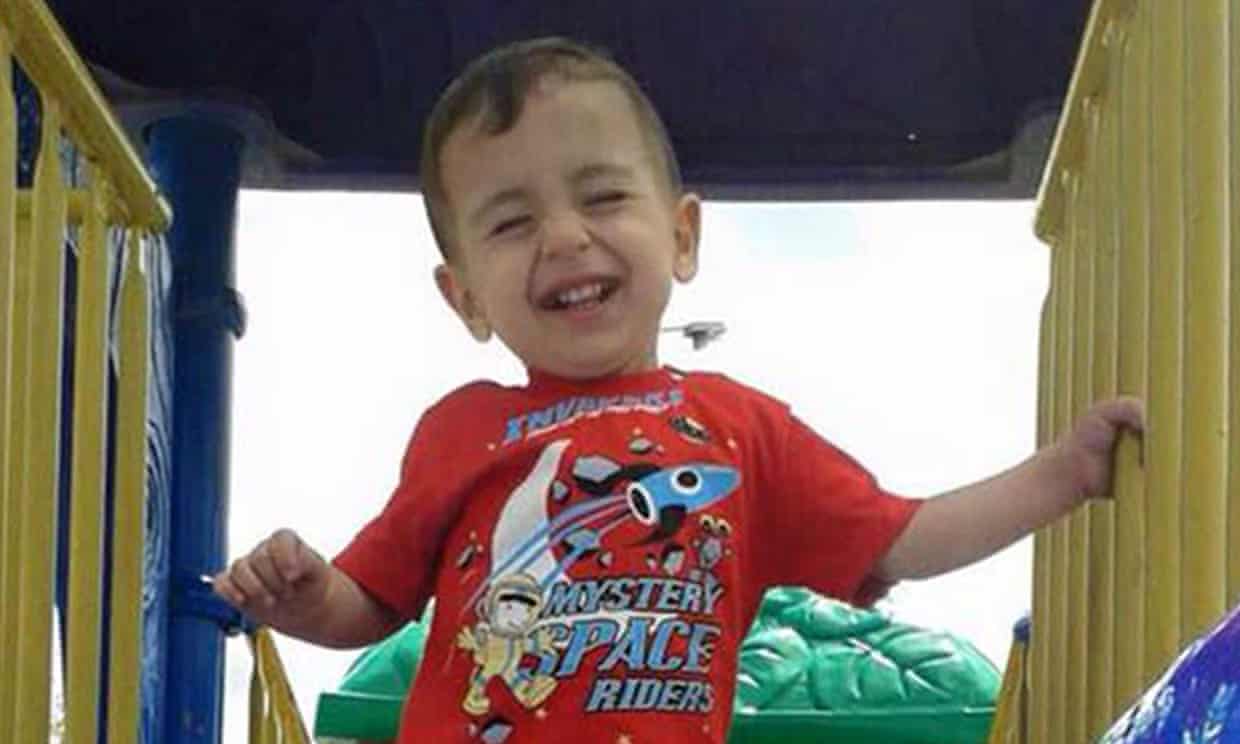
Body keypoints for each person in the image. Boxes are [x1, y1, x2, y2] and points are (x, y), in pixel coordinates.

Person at [213, 36, 1144, 743]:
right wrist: (306, 596)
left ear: (683, 236)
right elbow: (371, 601)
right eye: (511, 222)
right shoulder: (462, 430)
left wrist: (1060, 474)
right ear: (466, 299)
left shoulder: (736, 428)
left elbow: (905, 535)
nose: (565, 236)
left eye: (603, 197)